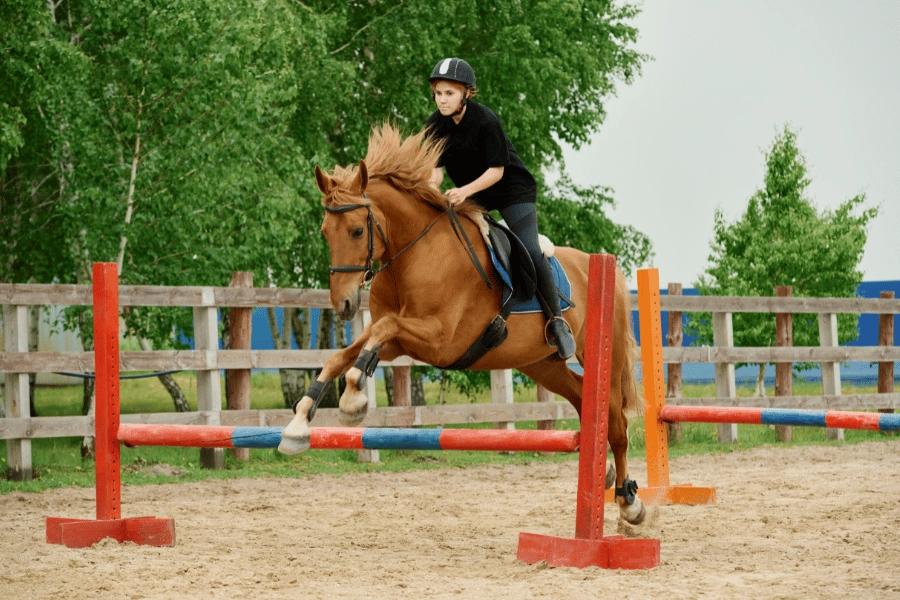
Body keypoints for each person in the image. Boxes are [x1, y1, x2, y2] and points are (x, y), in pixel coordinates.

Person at [424, 57, 576, 360]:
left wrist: (463, 192)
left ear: (467, 93)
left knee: (530, 249)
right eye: (438, 93)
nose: (442, 100)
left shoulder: (486, 120)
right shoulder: (434, 125)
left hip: (511, 191)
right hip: (472, 194)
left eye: (449, 93)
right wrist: (431, 189)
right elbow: (435, 169)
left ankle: (557, 322)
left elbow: (497, 171)